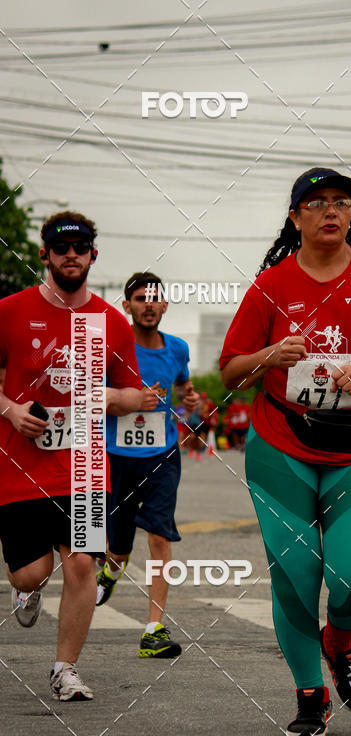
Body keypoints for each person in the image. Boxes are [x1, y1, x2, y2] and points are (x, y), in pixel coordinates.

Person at [220, 168, 351, 736]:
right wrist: (269, 354)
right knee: (296, 573)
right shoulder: (270, 287)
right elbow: (231, 371)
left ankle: (341, 644)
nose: (331, 211)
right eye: (316, 203)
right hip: (280, 445)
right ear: (296, 218)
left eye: (341, 202)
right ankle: (310, 695)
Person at [0, 211, 155, 701]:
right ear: (44, 254)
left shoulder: (109, 322)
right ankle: (25, 587)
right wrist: (10, 409)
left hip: (85, 465)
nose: (72, 254)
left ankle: (66, 669)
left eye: (81, 247)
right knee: (33, 570)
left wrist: (108, 398)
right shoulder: (11, 310)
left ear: (93, 255)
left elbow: (131, 395)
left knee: (83, 565)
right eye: (61, 247)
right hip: (21, 466)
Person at [95, 272, 200, 658]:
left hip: (162, 456)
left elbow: (185, 385)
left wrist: (190, 401)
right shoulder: (111, 348)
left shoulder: (177, 349)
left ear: (165, 304)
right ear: (127, 306)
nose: (149, 304)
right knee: (118, 549)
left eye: (155, 298)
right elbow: (90, 393)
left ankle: (153, 629)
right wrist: (127, 399)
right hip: (117, 456)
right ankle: (111, 569)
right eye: (140, 298)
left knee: (159, 537)